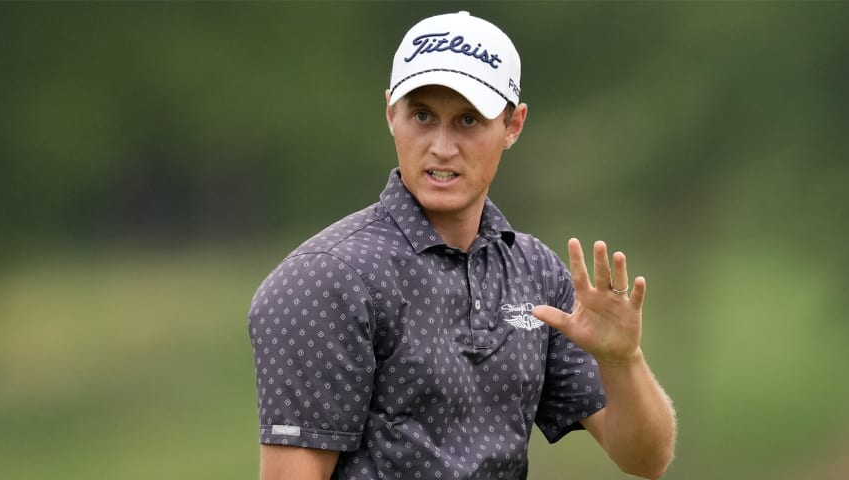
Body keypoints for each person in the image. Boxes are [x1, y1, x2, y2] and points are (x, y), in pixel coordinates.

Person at [247, 10, 676, 480]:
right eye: (423, 116)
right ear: (391, 113)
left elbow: (644, 459)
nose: (442, 147)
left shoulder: (535, 272)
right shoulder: (324, 280)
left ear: (513, 125)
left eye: (468, 120)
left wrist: (623, 361)